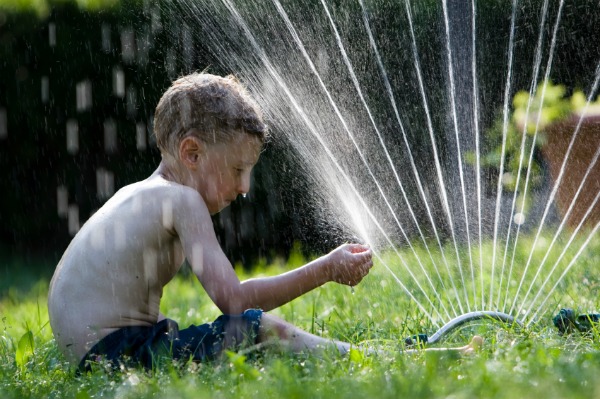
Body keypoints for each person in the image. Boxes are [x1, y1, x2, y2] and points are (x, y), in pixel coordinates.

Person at [48, 72, 482, 372]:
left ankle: (372, 352)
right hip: (116, 355)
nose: (245, 188)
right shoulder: (181, 201)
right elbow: (234, 304)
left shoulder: (138, 194)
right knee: (255, 330)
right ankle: (370, 357)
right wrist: (325, 269)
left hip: (99, 355)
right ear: (192, 154)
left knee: (230, 339)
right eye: (237, 170)